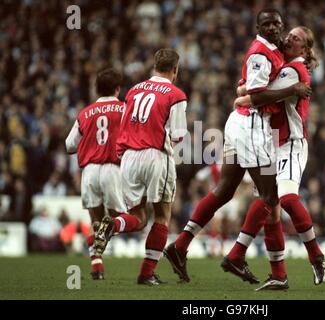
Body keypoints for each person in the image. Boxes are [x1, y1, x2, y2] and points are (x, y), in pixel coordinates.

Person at [164, 8, 311, 284]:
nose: (272, 27)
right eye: (266, 23)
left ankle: (180, 245)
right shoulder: (260, 52)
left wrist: (243, 91)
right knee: (271, 195)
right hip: (251, 126)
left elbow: (246, 89)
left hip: (241, 124)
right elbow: (256, 95)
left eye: (276, 23)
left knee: (223, 191)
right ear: (257, 27)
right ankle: (237, 256)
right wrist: (291, 90)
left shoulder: (274, 49)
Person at [234, 26, 325, 290]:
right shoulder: (284, 68)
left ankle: (316, 256)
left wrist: (242, 94)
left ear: (305, 49)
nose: (288, 38)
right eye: (289, 35)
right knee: (270, 208)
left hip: (291, 144)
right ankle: (278, 275)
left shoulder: (293, 70)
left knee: (286, 199)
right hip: (273, 143)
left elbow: (260, 98)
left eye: (296, 38)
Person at [95, 48, 187, 286]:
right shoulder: (176, 94)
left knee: (137, 215)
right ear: (175, 70)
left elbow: (123, 126)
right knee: (162, 216)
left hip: (128, 157)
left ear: (154, 66)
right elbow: (178, 135)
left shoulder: (133, 91)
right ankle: (146, 273)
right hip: (156, 155)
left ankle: (113, 224)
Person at [65, 67, 131, 280]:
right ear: (118, 89)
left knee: (95, 219)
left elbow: (69, 145)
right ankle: (99, 250)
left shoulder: (85, 113)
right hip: (113, 168)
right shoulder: (124, 109)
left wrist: (90, 139)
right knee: (116, 219)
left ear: (96, 90)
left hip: (89, 171)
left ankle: (97, 267)